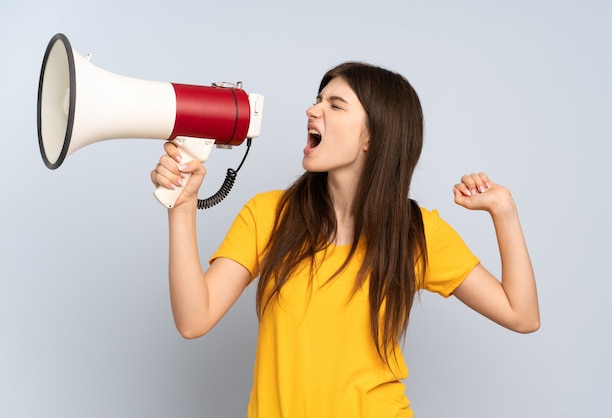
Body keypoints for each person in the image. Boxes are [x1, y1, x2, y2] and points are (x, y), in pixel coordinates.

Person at [150, 61, 539, 418]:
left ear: (372, 135)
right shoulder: (269, 215)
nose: (312, 110)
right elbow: (193, 319)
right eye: (318, 99)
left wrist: (503, 210)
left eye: (335, 105)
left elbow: (521, 315)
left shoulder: (414, 233)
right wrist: (182, 208)